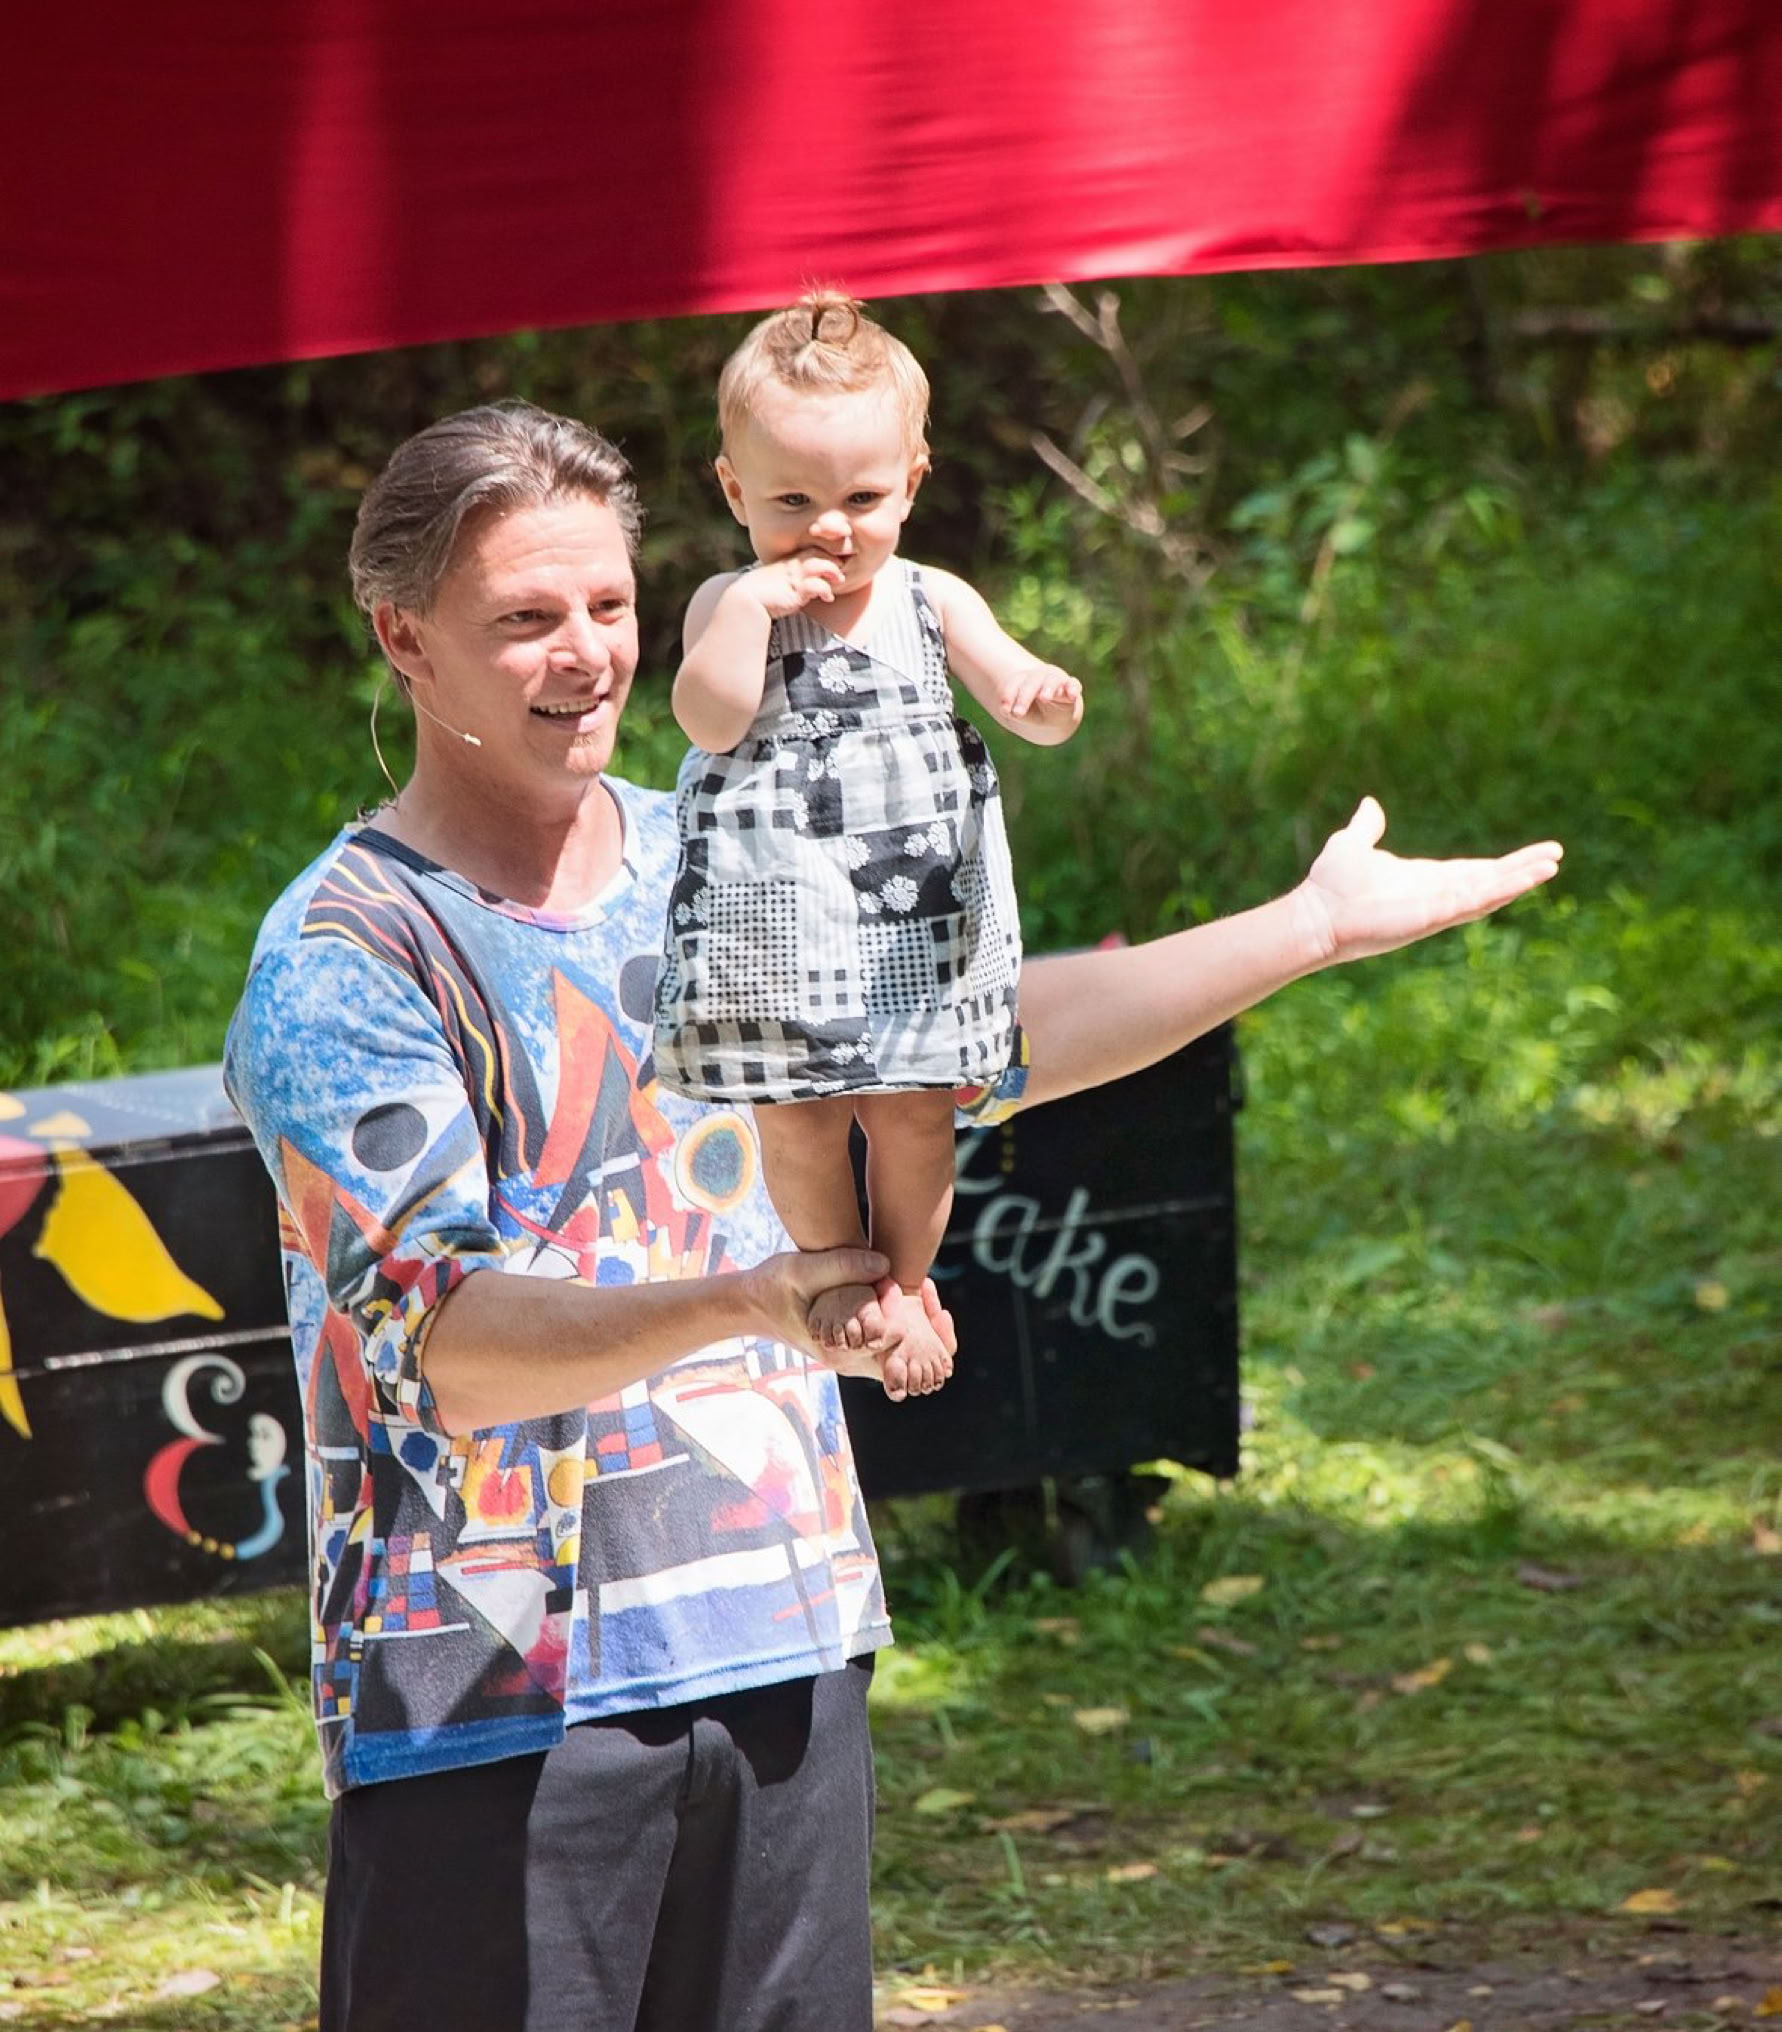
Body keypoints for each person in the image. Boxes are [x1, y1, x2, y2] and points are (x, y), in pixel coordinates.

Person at [224, 399, 1560, 2032]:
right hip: (486, 1703)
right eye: (523, 618)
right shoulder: (346, 952)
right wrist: (747, 1301)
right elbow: (444, 1350)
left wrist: (1304, 926)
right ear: (405, 640)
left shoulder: (721, 838)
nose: (582, 655)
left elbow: (974, 1044)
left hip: (782, 1642)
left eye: (607, 607)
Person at [653, 293, 1084, 1402]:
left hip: (914, 920)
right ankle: (836, 1274)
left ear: (914, 479)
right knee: (793, 1121)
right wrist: (751, 608)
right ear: (735, 489)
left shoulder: (931, 599)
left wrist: (1038, 697)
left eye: (862, 497)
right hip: (774, 920)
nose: (828, 527)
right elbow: (707, 718)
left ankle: (901, 1281)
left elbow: (1008, 685)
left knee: (915, 1115)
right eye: (791, 500)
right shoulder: (725, 600)